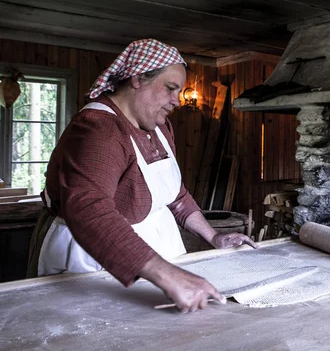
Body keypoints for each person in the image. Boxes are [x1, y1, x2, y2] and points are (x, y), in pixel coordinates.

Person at [27, 39, 257, 312]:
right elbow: (89, 210)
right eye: (170, 88)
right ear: (137, 78)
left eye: (179, 91)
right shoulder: (98, 129)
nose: (177, 100)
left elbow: (176, 195)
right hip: (97, 260)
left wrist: (213, 236)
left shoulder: (159, 127)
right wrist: (167, 274)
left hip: (156, 256)